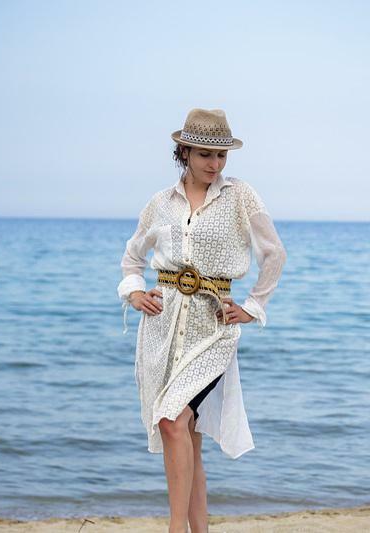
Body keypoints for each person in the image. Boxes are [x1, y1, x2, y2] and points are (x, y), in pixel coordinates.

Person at [117, 108, 287, 533]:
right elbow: (132, 258)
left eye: (221, 155)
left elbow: (274, 254)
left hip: (213, 329)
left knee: (173, 421)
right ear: (185, 153)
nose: (215, 164)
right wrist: (135, 293)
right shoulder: (160, 203)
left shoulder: (241, 196)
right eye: (205, 154)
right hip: (162, 327)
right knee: (185, 435)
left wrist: (252, 306)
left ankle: (175, 529)